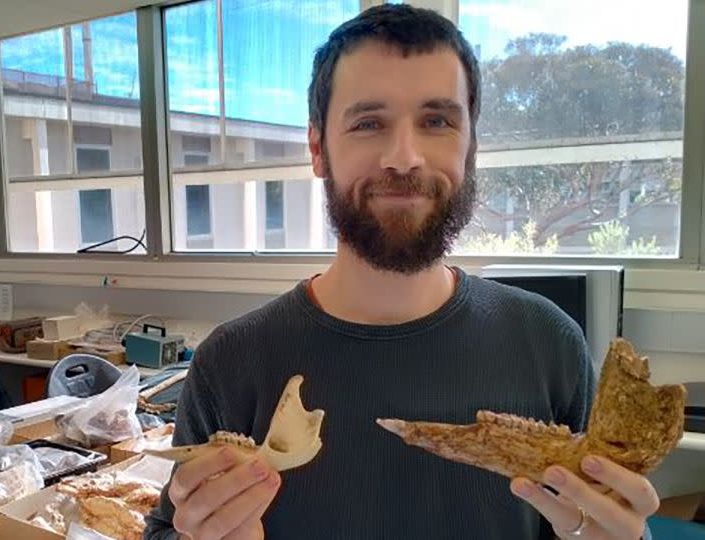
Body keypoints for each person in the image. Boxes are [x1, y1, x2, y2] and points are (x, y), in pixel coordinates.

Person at [144, 5, 659, 540]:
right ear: (319, 148)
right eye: (369, 123)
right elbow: (168, 528)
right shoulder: (230, 361)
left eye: (436, 121)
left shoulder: (547, 342)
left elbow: (598, 514)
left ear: (470, 144)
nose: (405, 157)